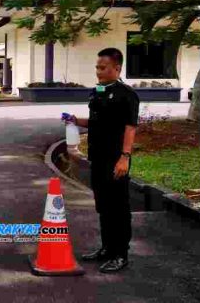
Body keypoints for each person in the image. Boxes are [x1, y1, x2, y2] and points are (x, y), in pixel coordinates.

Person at [62, 48, 139, 273]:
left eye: (103, 68)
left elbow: (130, 127)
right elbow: (96, 122)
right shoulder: (97, 92)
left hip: (116, 160)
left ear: (117, 68)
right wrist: (75, 120)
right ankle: (107, 248)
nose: (98, 72)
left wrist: (124, 158)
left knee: (118, 208)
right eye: (97, 67)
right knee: (104, 206)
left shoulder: (127, 95)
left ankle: (120, 254)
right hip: (98, 158)